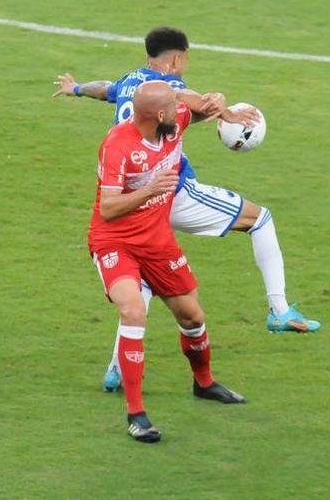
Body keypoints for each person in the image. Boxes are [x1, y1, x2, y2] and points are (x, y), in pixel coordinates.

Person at [54, 26, 321, 392]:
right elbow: (192, 98)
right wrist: (225, 111)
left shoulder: (133, 83)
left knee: (140, 284)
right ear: (177, 58)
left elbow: (106, 90)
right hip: (171, 194)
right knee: (260, 219)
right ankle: (279, 309)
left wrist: (77, 88)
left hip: (134, 205)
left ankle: (117, 367)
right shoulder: (170, 87)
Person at [89, 80, 246, 443]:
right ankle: (136, 414)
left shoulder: (173, 125)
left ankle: (204, 383)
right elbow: (108, 209)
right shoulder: (117, 145)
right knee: (133, 312)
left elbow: (203, 106)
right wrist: (149, 190)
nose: (181, 110)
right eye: (174, 106)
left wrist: (221, 104)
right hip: (116, 241)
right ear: (159, 115)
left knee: (192, 316)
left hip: (157, 241)